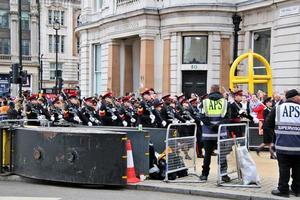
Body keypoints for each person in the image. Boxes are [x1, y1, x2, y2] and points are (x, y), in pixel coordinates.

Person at [265, 89, 300, 197]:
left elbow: (268, 124)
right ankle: (297, 189)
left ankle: (283, 190)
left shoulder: (278, 108)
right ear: (294, 98)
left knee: (283, 168)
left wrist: (271, 140)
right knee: (298, 169)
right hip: (298, 147)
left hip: (282, 145)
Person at [199, 84, 231, 182]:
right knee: (222, 154)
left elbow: (202, 117)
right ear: (219, 91)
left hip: (208, 133)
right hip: (221, 133)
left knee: (207, 154)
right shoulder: (225, 102)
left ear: (211, 91)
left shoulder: (204, 102)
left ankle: (204, 175)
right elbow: (227, 118)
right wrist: (217, 125)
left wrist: (210, 126)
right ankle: (224, 175)